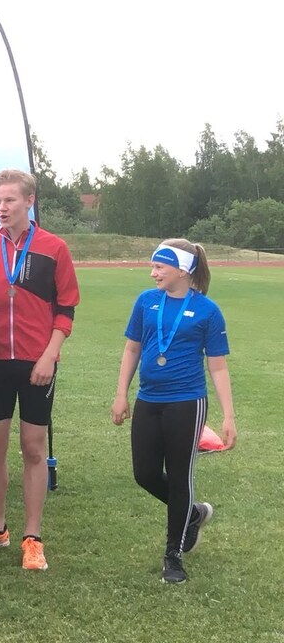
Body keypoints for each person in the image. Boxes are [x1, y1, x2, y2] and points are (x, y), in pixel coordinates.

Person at [0, 169, 79, 571]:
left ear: (29, 201)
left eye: (10, 200)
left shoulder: (54, 247)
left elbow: (66, 308)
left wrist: (50, 355)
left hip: (36, 362)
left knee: (33, 448)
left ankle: (33, 537)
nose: (2, 207)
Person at [111, 239, 236, 583]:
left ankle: (174, 555)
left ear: (182, 270)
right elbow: (132, 348)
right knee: (145, 474)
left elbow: (218, 366)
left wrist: (228, 416)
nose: (153, 273)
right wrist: (121, 394)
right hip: (149, 399)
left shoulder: (208, 310)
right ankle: (192, 513)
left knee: (180, 477)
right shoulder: (146, 301)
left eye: (159, 267)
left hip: (187, 402)